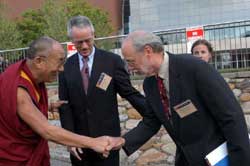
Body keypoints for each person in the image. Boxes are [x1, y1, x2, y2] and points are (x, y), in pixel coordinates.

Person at [120, 31, 250, 166]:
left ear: (148, 51)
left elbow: (231, 117)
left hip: (219, 159)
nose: (129, 68)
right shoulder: (150, 84)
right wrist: (123, 142)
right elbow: (152, 121)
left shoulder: (194, 68)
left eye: (131, 61)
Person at [0, 36, 115, 166]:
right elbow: (47, 131)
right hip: (15, 157)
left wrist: (48, 106)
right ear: (39, 61)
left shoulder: (30, 77)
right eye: (59, 62)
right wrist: (93, 142)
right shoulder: (18, 89)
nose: (61, 69)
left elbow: (15, 108)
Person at [58, 16, 145, 166]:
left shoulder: (112, 61)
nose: (84, 46)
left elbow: (129, 93)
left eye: (88, 40)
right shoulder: (65, 67)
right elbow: (64, 106)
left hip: (107, 142)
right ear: (71, 40)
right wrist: (69, 140)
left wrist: (152, 111)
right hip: (80, 144)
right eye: (79, 42)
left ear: (94, 36)